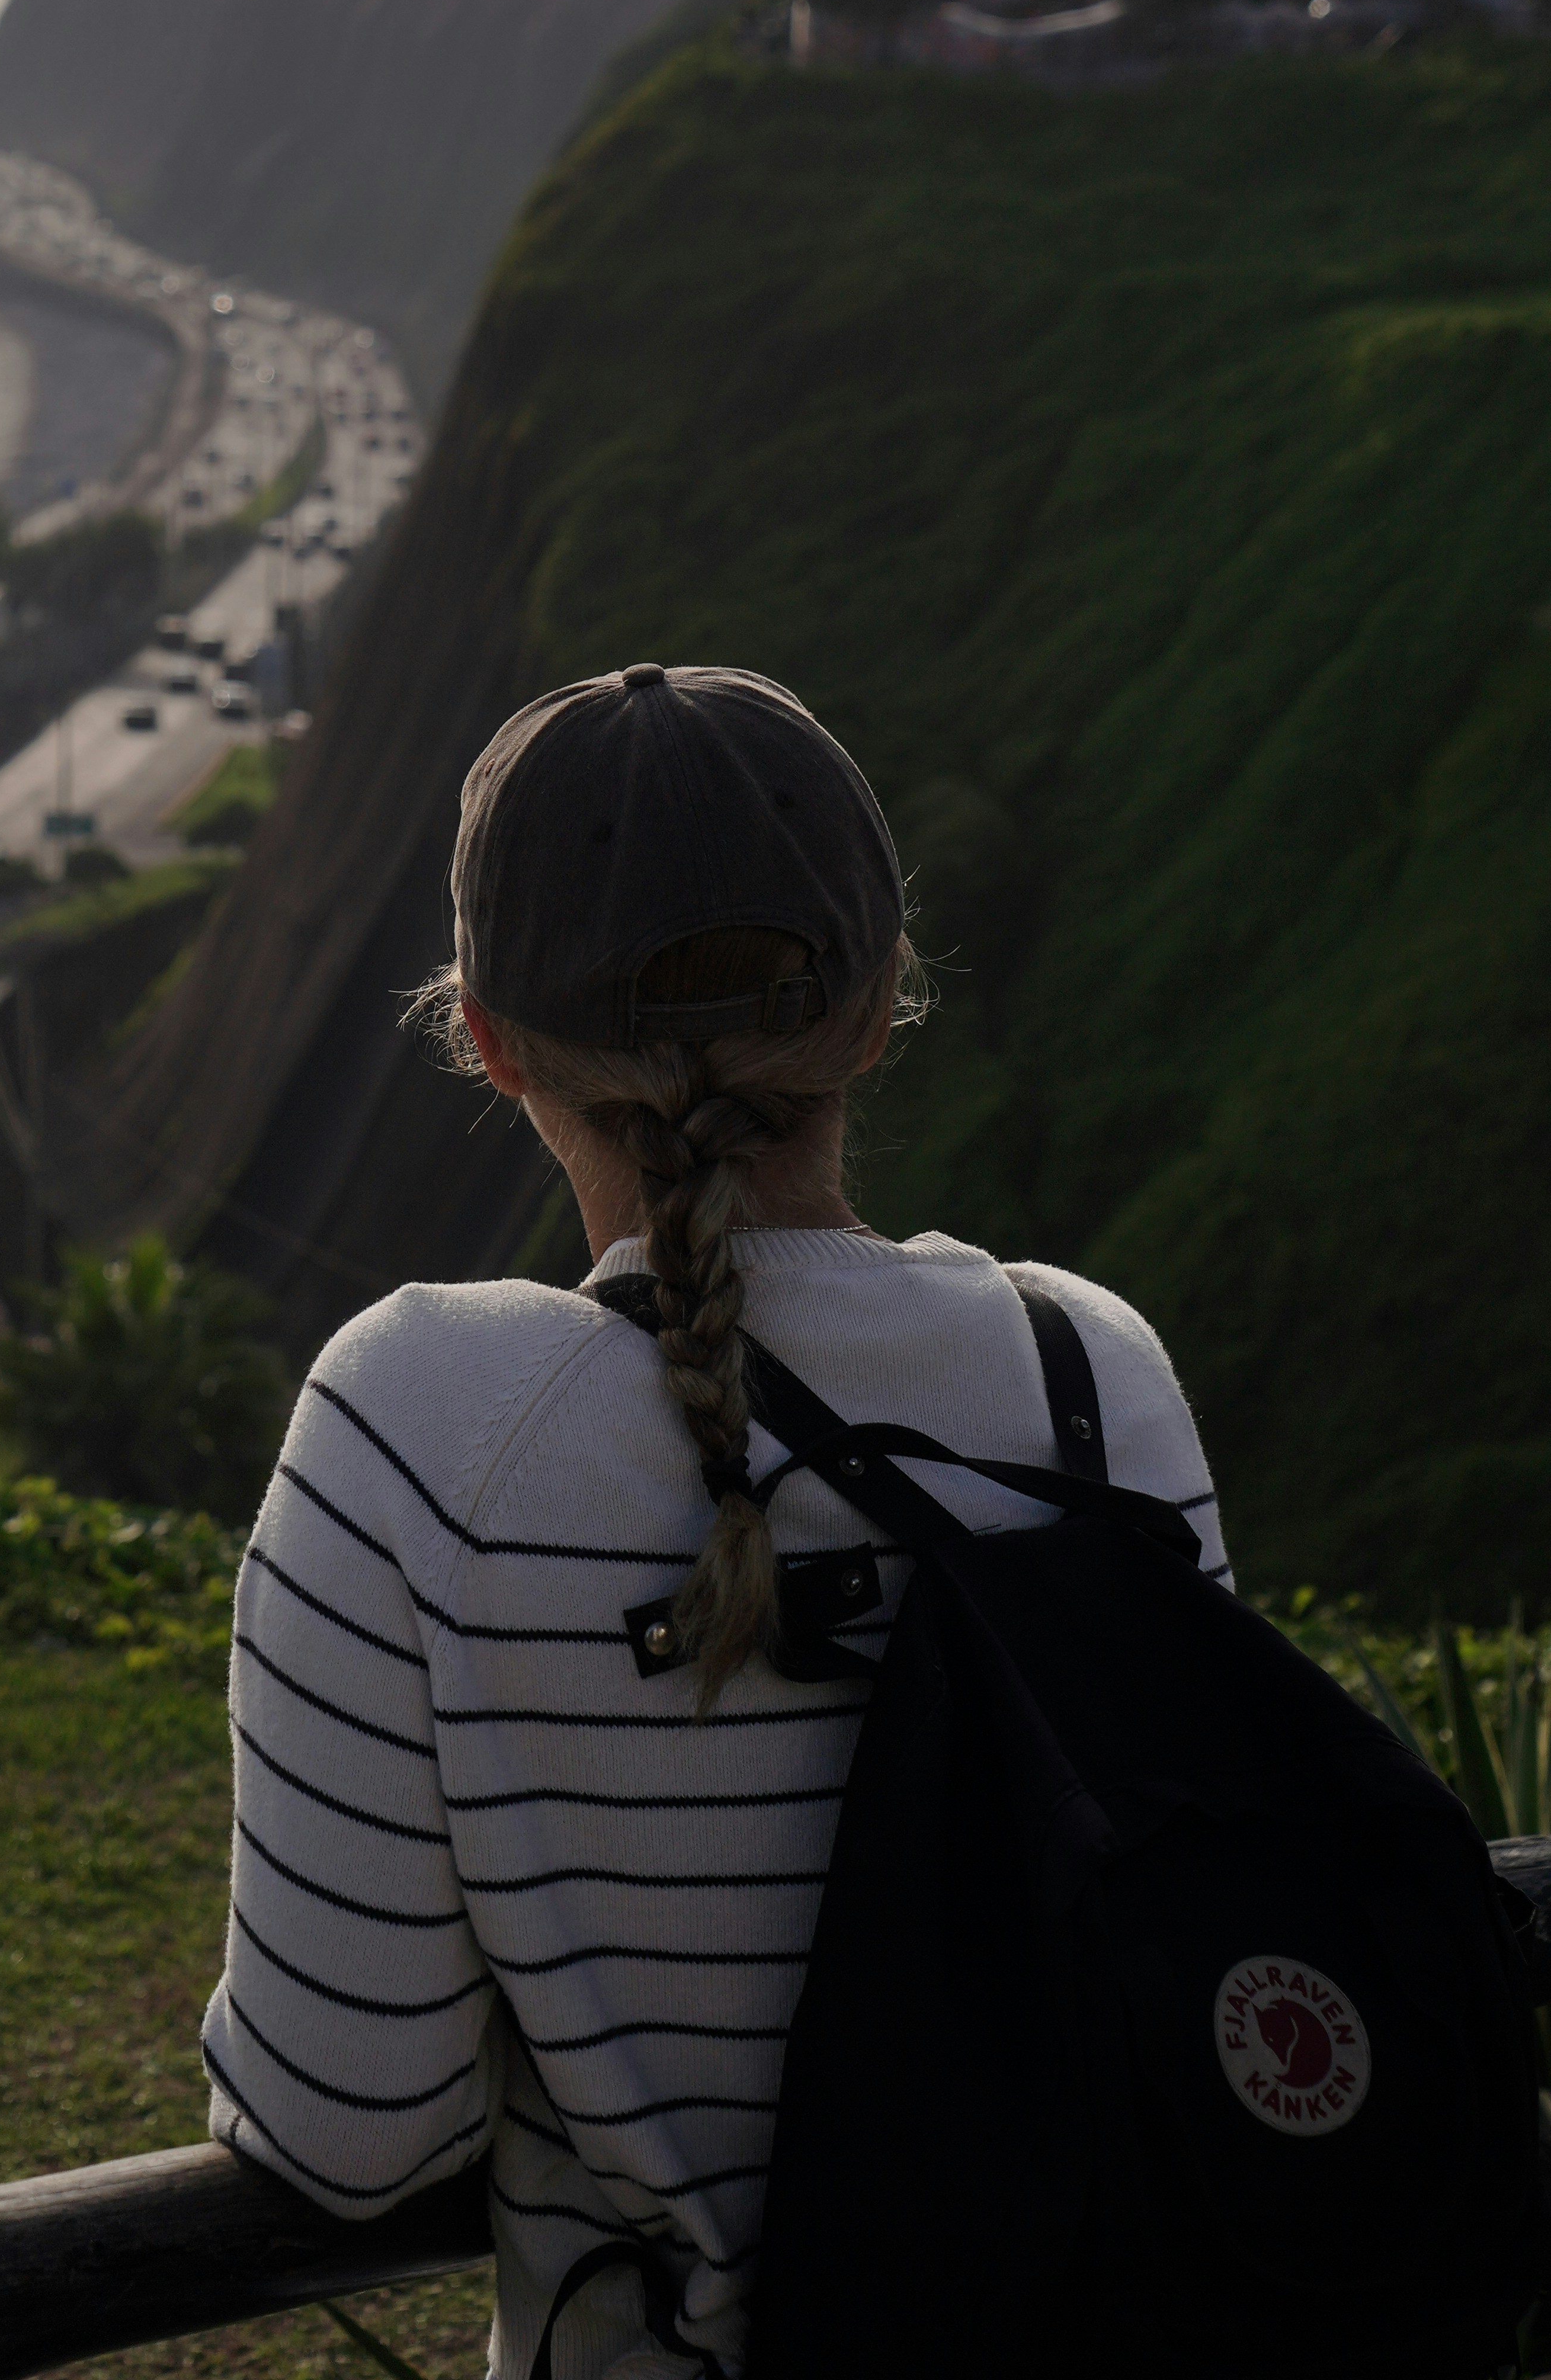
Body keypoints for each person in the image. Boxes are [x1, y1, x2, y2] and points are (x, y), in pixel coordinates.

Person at [202, 662, 1228, 2380]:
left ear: (486, 1035)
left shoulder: (413, 1428)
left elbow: (347, 2129)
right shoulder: (1091, 1387)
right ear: (882, 995)